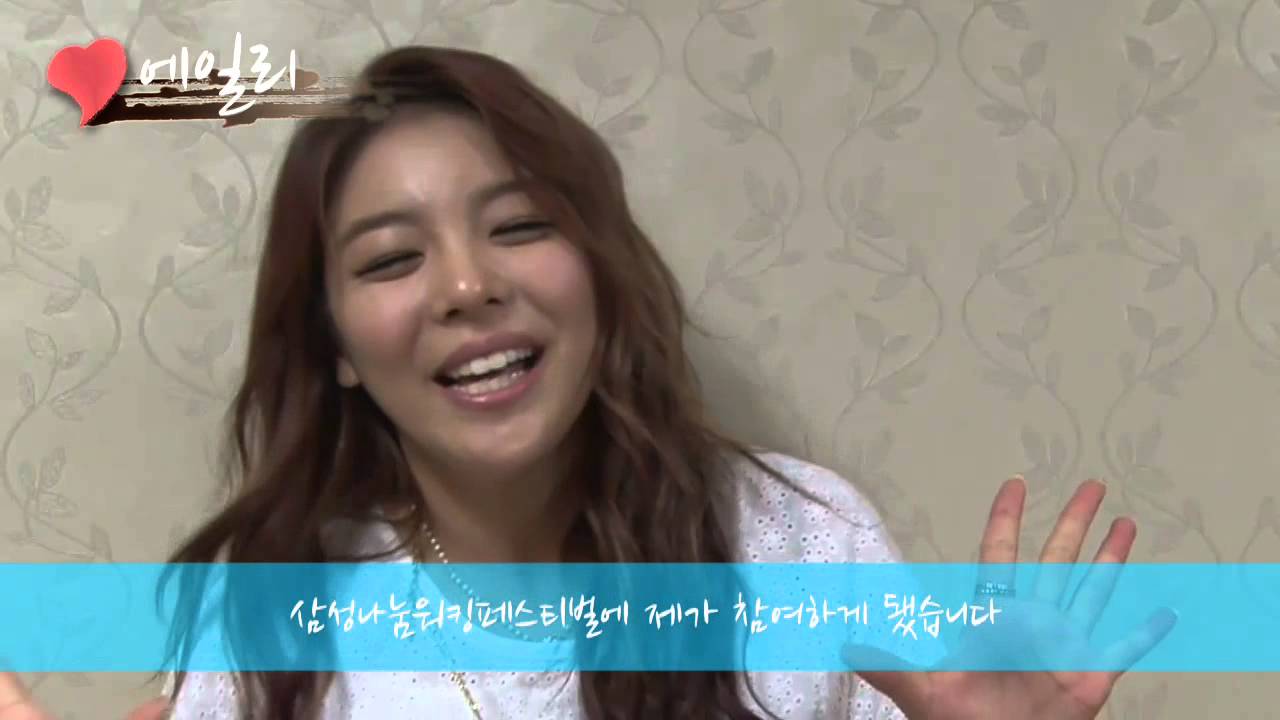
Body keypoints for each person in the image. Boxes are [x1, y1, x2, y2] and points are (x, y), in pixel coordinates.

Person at [0, 46, 1170, 720]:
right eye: (392, 259)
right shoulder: (269, 607)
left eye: (517, 225)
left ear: (598, 270)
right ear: (338, 346)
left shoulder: (797, 542)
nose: (466, 286)